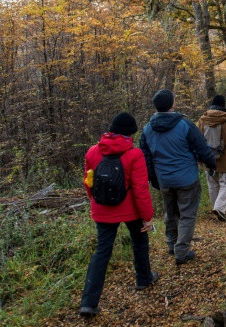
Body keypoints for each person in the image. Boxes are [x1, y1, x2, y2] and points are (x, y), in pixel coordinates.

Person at [79, 112, 157, 318]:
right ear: (130, 133)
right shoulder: (134, 154)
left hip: (102, 210)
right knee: (139, 241)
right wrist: (147, 217)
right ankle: (143, 278)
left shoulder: (92, 152)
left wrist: (95, 201)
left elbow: (89, 183)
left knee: (102, 252)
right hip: (131, 209)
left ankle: (88, 302)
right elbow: (141, 189)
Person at [140, 89, 215, 265]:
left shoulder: (147, 129)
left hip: (164, 179)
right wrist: (212, 164)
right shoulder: (185, 125)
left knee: (170, 212)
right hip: (186, 178)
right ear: (172, 104)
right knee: (187, 214)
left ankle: (171, 244)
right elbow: (202, 149)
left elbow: (146, 158)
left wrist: (154, 179)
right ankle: (181, 250)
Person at [197, 94, 226, 221]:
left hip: (208, 158)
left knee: (212, 184)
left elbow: (197, 140)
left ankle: (216, 207)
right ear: (223, 105)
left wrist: (200, 156)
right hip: (225, 158)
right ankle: (219, 208)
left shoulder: (202, 119)